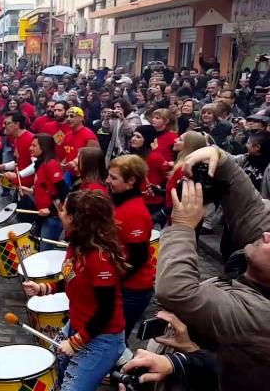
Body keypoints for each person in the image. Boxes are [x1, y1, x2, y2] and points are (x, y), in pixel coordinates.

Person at [157, 148, 270, 351]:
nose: (265, 235)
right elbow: (252, 213)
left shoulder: (259, 314)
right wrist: (222, 160)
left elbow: (177, 291)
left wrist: (182, 228)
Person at [22, 190, 126, 391]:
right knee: (53, 372)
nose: (59, 213)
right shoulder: (75, 245)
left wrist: (76, 342)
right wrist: (44, 288)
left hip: (101, 339)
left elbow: (106, 311)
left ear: (73, 218)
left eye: (63, 210)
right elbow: (72, 280)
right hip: (77, 326)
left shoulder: (99, 259)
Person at [105, 155, 154, 341]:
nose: (108, 181)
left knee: (115, 341)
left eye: (113, 178)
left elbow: (138, 257)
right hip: (121, 285)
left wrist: (112, 280)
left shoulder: (134, 212)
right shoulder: (119, 201)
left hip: (132, 290)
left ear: (131, 181)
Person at [20, 134, 68, 250]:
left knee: (45, 252)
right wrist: (31, 191)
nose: (30, 148)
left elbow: (63, 190)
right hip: (43, 215)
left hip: (52, 217)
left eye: (34, 145)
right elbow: (47, 188)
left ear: (44, 147)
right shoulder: (41, 164)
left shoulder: (51, 164)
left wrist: (50, 209)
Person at [129, 125, 170, 226]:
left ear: (146, 140)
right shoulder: (131, 157)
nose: (133, 139)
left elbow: (169, 176)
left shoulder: (155, 157)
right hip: (135, 200)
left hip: (153, 203)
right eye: (133, 135)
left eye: (138, 137)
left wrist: (159, 187)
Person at [63, 107, 99, 176]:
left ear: (81, 118)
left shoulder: (89, 135)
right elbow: (68, 154)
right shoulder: (67, 135)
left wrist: (75, 163)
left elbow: (94, 158)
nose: (68, 119)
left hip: (84, 175)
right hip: (69, 174)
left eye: (72, 116)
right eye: (67, 116)